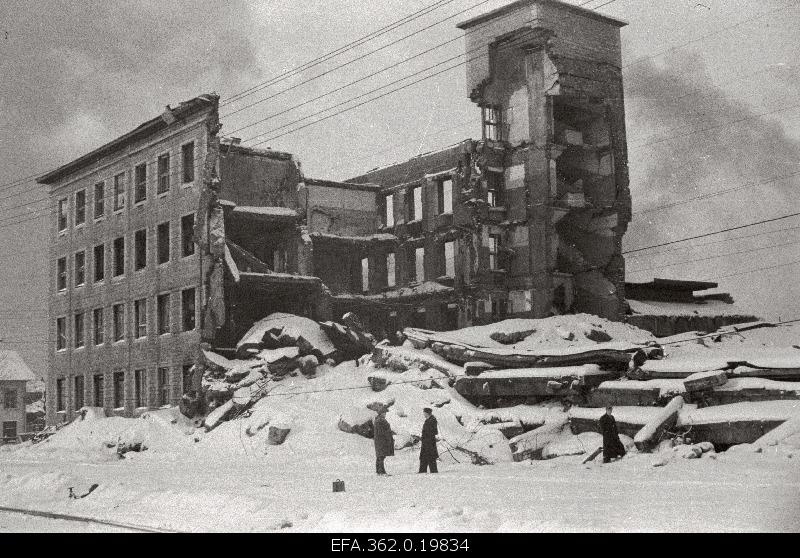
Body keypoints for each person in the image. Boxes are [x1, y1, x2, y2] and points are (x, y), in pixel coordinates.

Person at [373, 406, 394, 476]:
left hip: (380, 441)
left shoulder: (378, 420)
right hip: (382, 441)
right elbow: (383, 432)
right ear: (381, 413)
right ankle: (381, 472)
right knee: (381, 456)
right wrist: (388, 438)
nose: (385, 414)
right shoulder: (380, 420)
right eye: (384, 413)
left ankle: (379, 471)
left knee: (380, 456)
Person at [419, 407, 439, 473]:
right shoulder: (429, 420)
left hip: (429, 442)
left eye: (424, 412)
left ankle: (433, 471)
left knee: (430, 457)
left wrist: (426, 437)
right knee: (425, 457)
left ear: (427, 413)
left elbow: (434, 431)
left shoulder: (432, 420)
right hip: (426, 442)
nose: (423, 414)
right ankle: (422, 471)